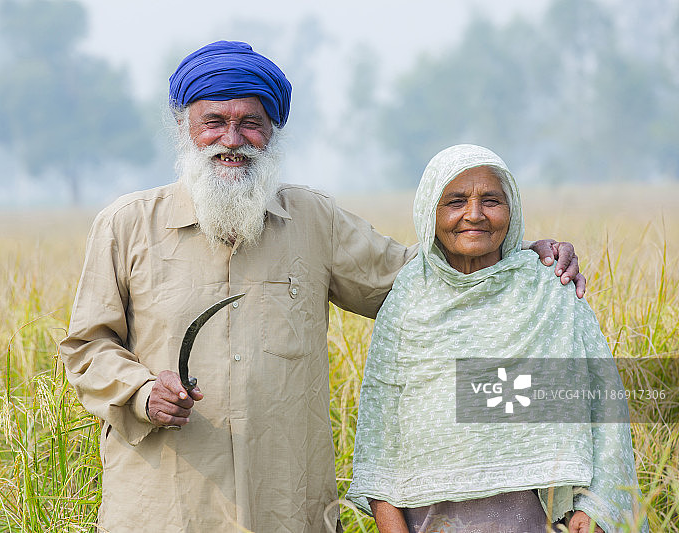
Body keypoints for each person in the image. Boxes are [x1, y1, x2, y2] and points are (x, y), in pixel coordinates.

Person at [59, 42, 585, 532]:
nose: (232, 139)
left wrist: (518, 257)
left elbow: (421, 283)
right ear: (183, 127)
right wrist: (143, 392)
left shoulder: (313, 220)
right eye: (213, 122)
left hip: (287, 506)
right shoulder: (126, 225)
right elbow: (87, 347)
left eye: (251, 123)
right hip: (163, 506)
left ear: (273, 131)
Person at [346, 144, 646, 533]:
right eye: (455, 201)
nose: (474, 214)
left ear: (512, 211)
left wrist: (597, 510)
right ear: (428, 215)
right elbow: (378, 450)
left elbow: (605, 415)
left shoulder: (550, 290)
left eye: (491, 200)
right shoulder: (407, 303)